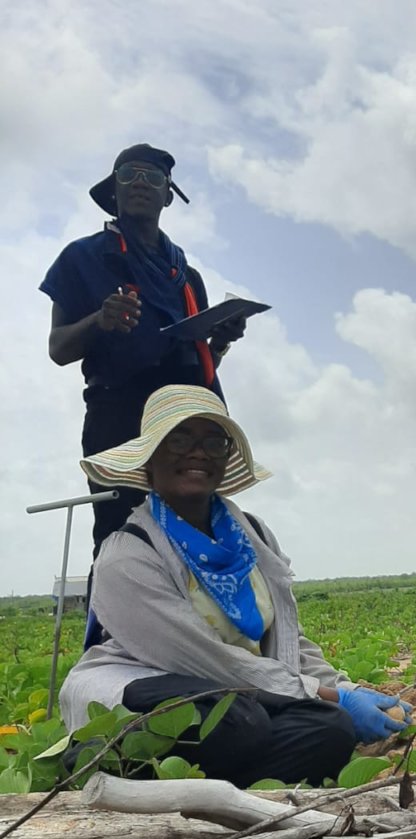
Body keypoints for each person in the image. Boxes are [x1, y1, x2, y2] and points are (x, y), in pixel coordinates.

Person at [58, 385, 409, 788]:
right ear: (150, 459)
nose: (198, 453)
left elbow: (288, 640)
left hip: (245, 696)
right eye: (179, 440)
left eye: (213, 442)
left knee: (329, 730)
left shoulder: (254, 536)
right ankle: (107, 764)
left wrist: (342, 687)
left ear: (226, 459)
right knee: (236, 721)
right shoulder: (128, 554)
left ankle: (200, 790)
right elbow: (205, 660)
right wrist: (331, 697)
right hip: (151, 692)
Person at [41, 144, 247, 555]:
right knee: (121, 537)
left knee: (194, 535)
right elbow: (58, 348)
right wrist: (100, 320)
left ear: (168, 195)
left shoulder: (187, 276)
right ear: (114, 189)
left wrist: (220, 341)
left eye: (152, 177)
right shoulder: (82, 257)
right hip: (119, 416)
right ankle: (114, 601)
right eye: (129, 174)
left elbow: (196, 366)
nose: (140, 183)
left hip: (186, 420)